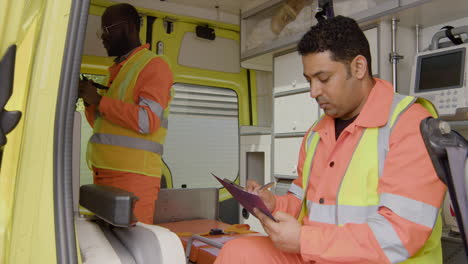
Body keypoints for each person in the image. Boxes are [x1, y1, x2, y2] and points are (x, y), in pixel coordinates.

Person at [215, 16, 446, 264]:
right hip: (322, 255)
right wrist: (272, 204)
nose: (313, 92)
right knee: (237, 253)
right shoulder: (317, 133)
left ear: (358, 67)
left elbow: (398, 235)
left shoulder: (410, 125)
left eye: (323, 79)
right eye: (309, 81)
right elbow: (302, 204)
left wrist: (305, 240)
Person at [78, 3, 173, 224]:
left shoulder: (154, 66)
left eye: (107, 30)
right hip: (105, 177)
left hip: (133, 180)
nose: (103, 37)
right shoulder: (115, 72)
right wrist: (90, 101)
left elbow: (147, 121)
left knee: (132, 252)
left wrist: (99, 100)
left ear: (129, 28)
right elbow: (102, 125)